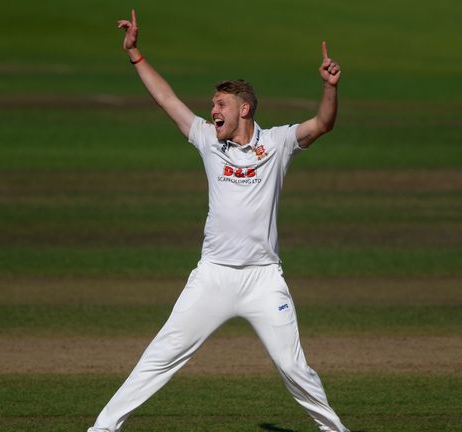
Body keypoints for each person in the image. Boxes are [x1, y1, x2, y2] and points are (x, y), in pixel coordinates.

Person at [88, 9, 348, 432]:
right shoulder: (209, 141)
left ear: (244, 108)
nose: (212, 112)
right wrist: (135, 54)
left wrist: (329, 87)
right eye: (212, 105)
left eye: (220, 104)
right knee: (161, 354)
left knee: (293, 367)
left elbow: (323, 123)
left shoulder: (278, 143)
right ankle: (102, 429)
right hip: (213, 276)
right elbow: (168, 100)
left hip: (263, 279)